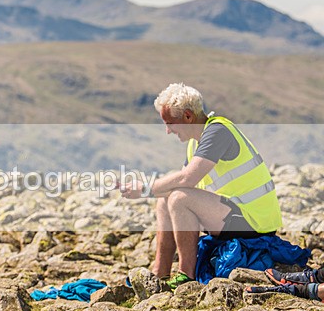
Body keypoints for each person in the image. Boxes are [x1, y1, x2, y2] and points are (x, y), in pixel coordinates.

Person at [120, 83, 282, 289]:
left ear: (188, 116)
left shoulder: (218, 132)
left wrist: (144, 189)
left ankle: (186, 276)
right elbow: (179, 182)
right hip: (235, 215)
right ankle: (159, 273)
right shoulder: (196, 142)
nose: (168, 131)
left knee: (179, 198)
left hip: (256, 222)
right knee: (165, 198)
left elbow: (186, 179)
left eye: (170, 123)